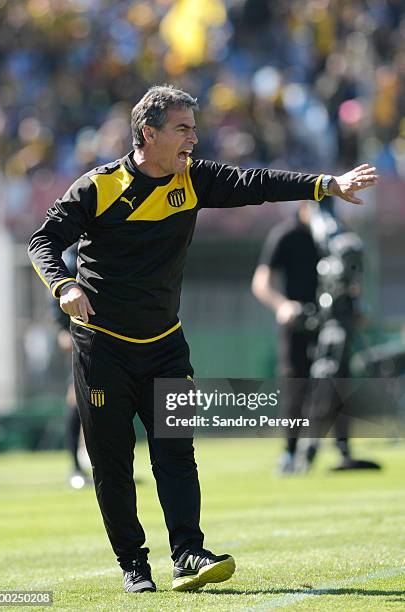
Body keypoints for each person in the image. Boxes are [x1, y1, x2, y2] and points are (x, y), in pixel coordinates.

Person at [28, 85, 378, 593]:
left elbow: (256, 182)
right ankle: (134, 566)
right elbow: (43, 241)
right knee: (113, 462)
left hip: (166, 345)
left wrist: (327, 184)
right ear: (148, 133)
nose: (195, 137)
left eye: (195, 127)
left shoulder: (193, 179)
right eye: (183, 128)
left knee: (175, 452)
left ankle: (188, 552)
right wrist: (63, 286)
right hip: (102, 348)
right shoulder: (97, 187)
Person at [251, 201, 379, 472]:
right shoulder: (286, 234)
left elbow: (353, 276)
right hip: (297, 320)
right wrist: (282, 305)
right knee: (295, 384)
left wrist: (355, 304)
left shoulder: (338, 236)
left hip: (332, 319)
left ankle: (344, 450)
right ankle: (290, 453)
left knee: (337, 383)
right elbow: (261, 282)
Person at [51, 244, 91, 488]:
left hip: (106, 337)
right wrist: (62, 331)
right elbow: (55, 297)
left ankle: (97, 465)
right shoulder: (70, 260)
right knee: (75, 398)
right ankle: (75, 467)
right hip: (80, 337)